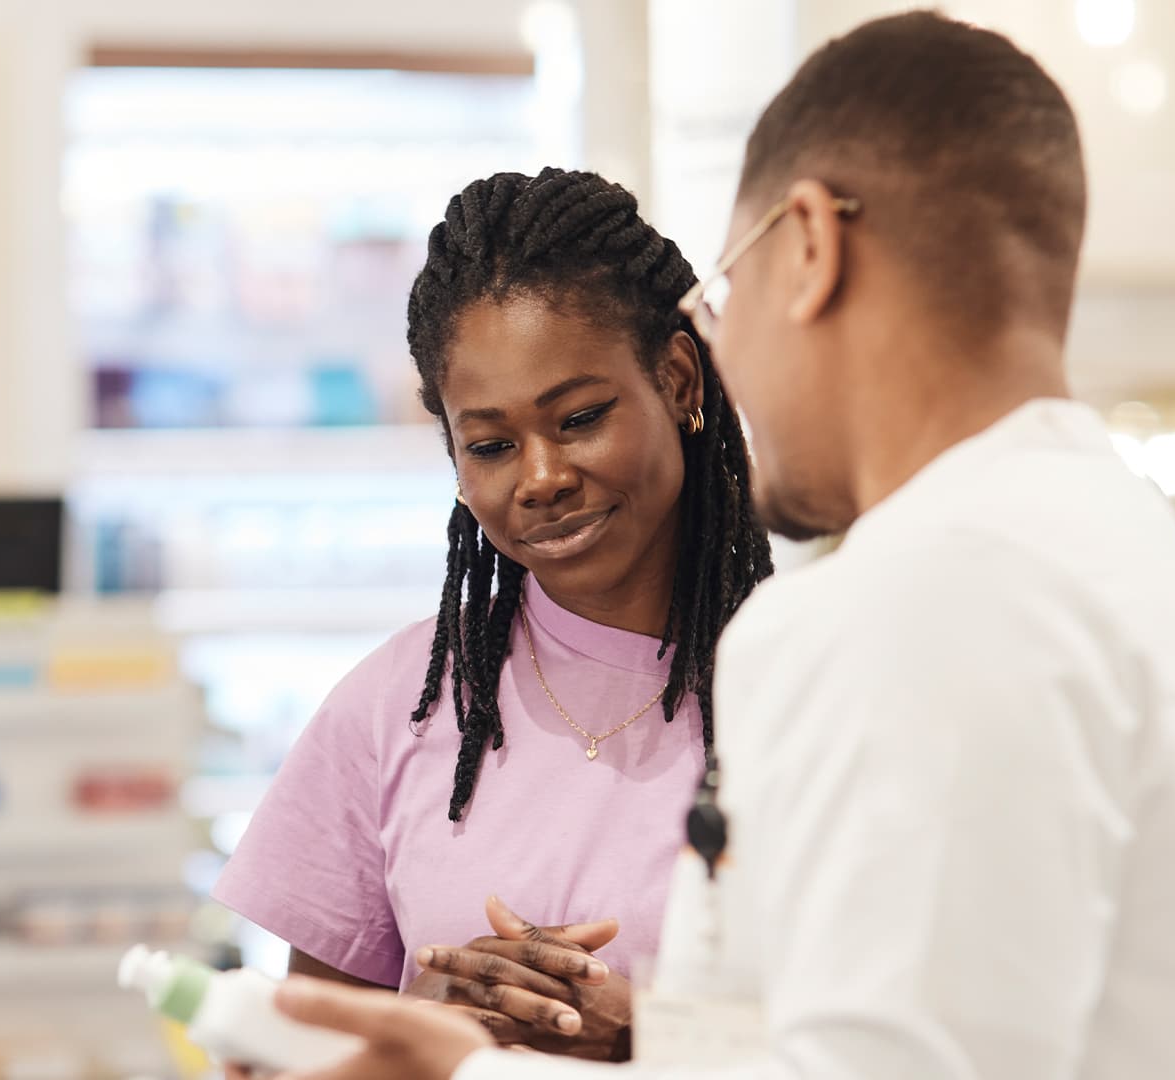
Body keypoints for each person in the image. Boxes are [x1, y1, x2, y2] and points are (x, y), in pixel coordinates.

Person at [267, 12, 1175, 1080]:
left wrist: (459, 1071)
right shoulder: (1120, 555)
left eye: (727, 288)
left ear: (809, 247)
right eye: (488, 440)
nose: (724, 346)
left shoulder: (912, 612)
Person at [212, 167, 776, 1061]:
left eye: (582, 417)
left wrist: (659, 1042)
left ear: (675, 379)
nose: (542, 477)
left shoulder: (810, 681)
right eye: (490, 445)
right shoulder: (395, 708)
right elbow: (278, 1059)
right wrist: (417, 1027)